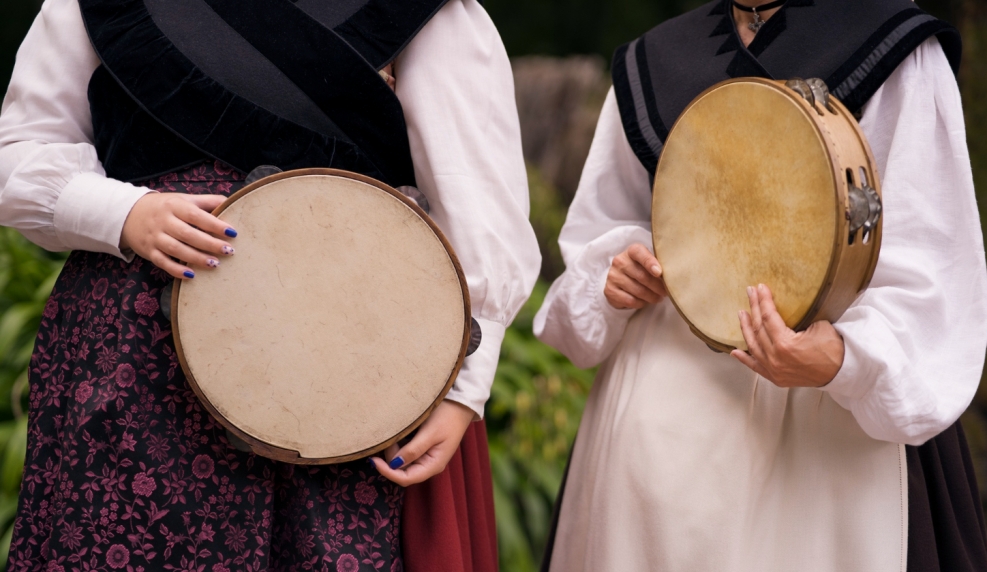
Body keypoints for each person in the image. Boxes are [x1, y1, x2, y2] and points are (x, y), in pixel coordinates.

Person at [0, 0, 540, 570]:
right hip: (129, 364)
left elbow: (474, 204)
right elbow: (17, 156)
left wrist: (459, 389)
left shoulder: (426, 14)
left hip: (335, 368)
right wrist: (123, 212)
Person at [535, 0, 987, 570]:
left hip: (834, 438)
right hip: (656, 444)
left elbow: (931, 266)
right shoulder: (654, 61)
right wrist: (613, 275)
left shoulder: (892, 43)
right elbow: (603, 228)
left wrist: (845, 359)